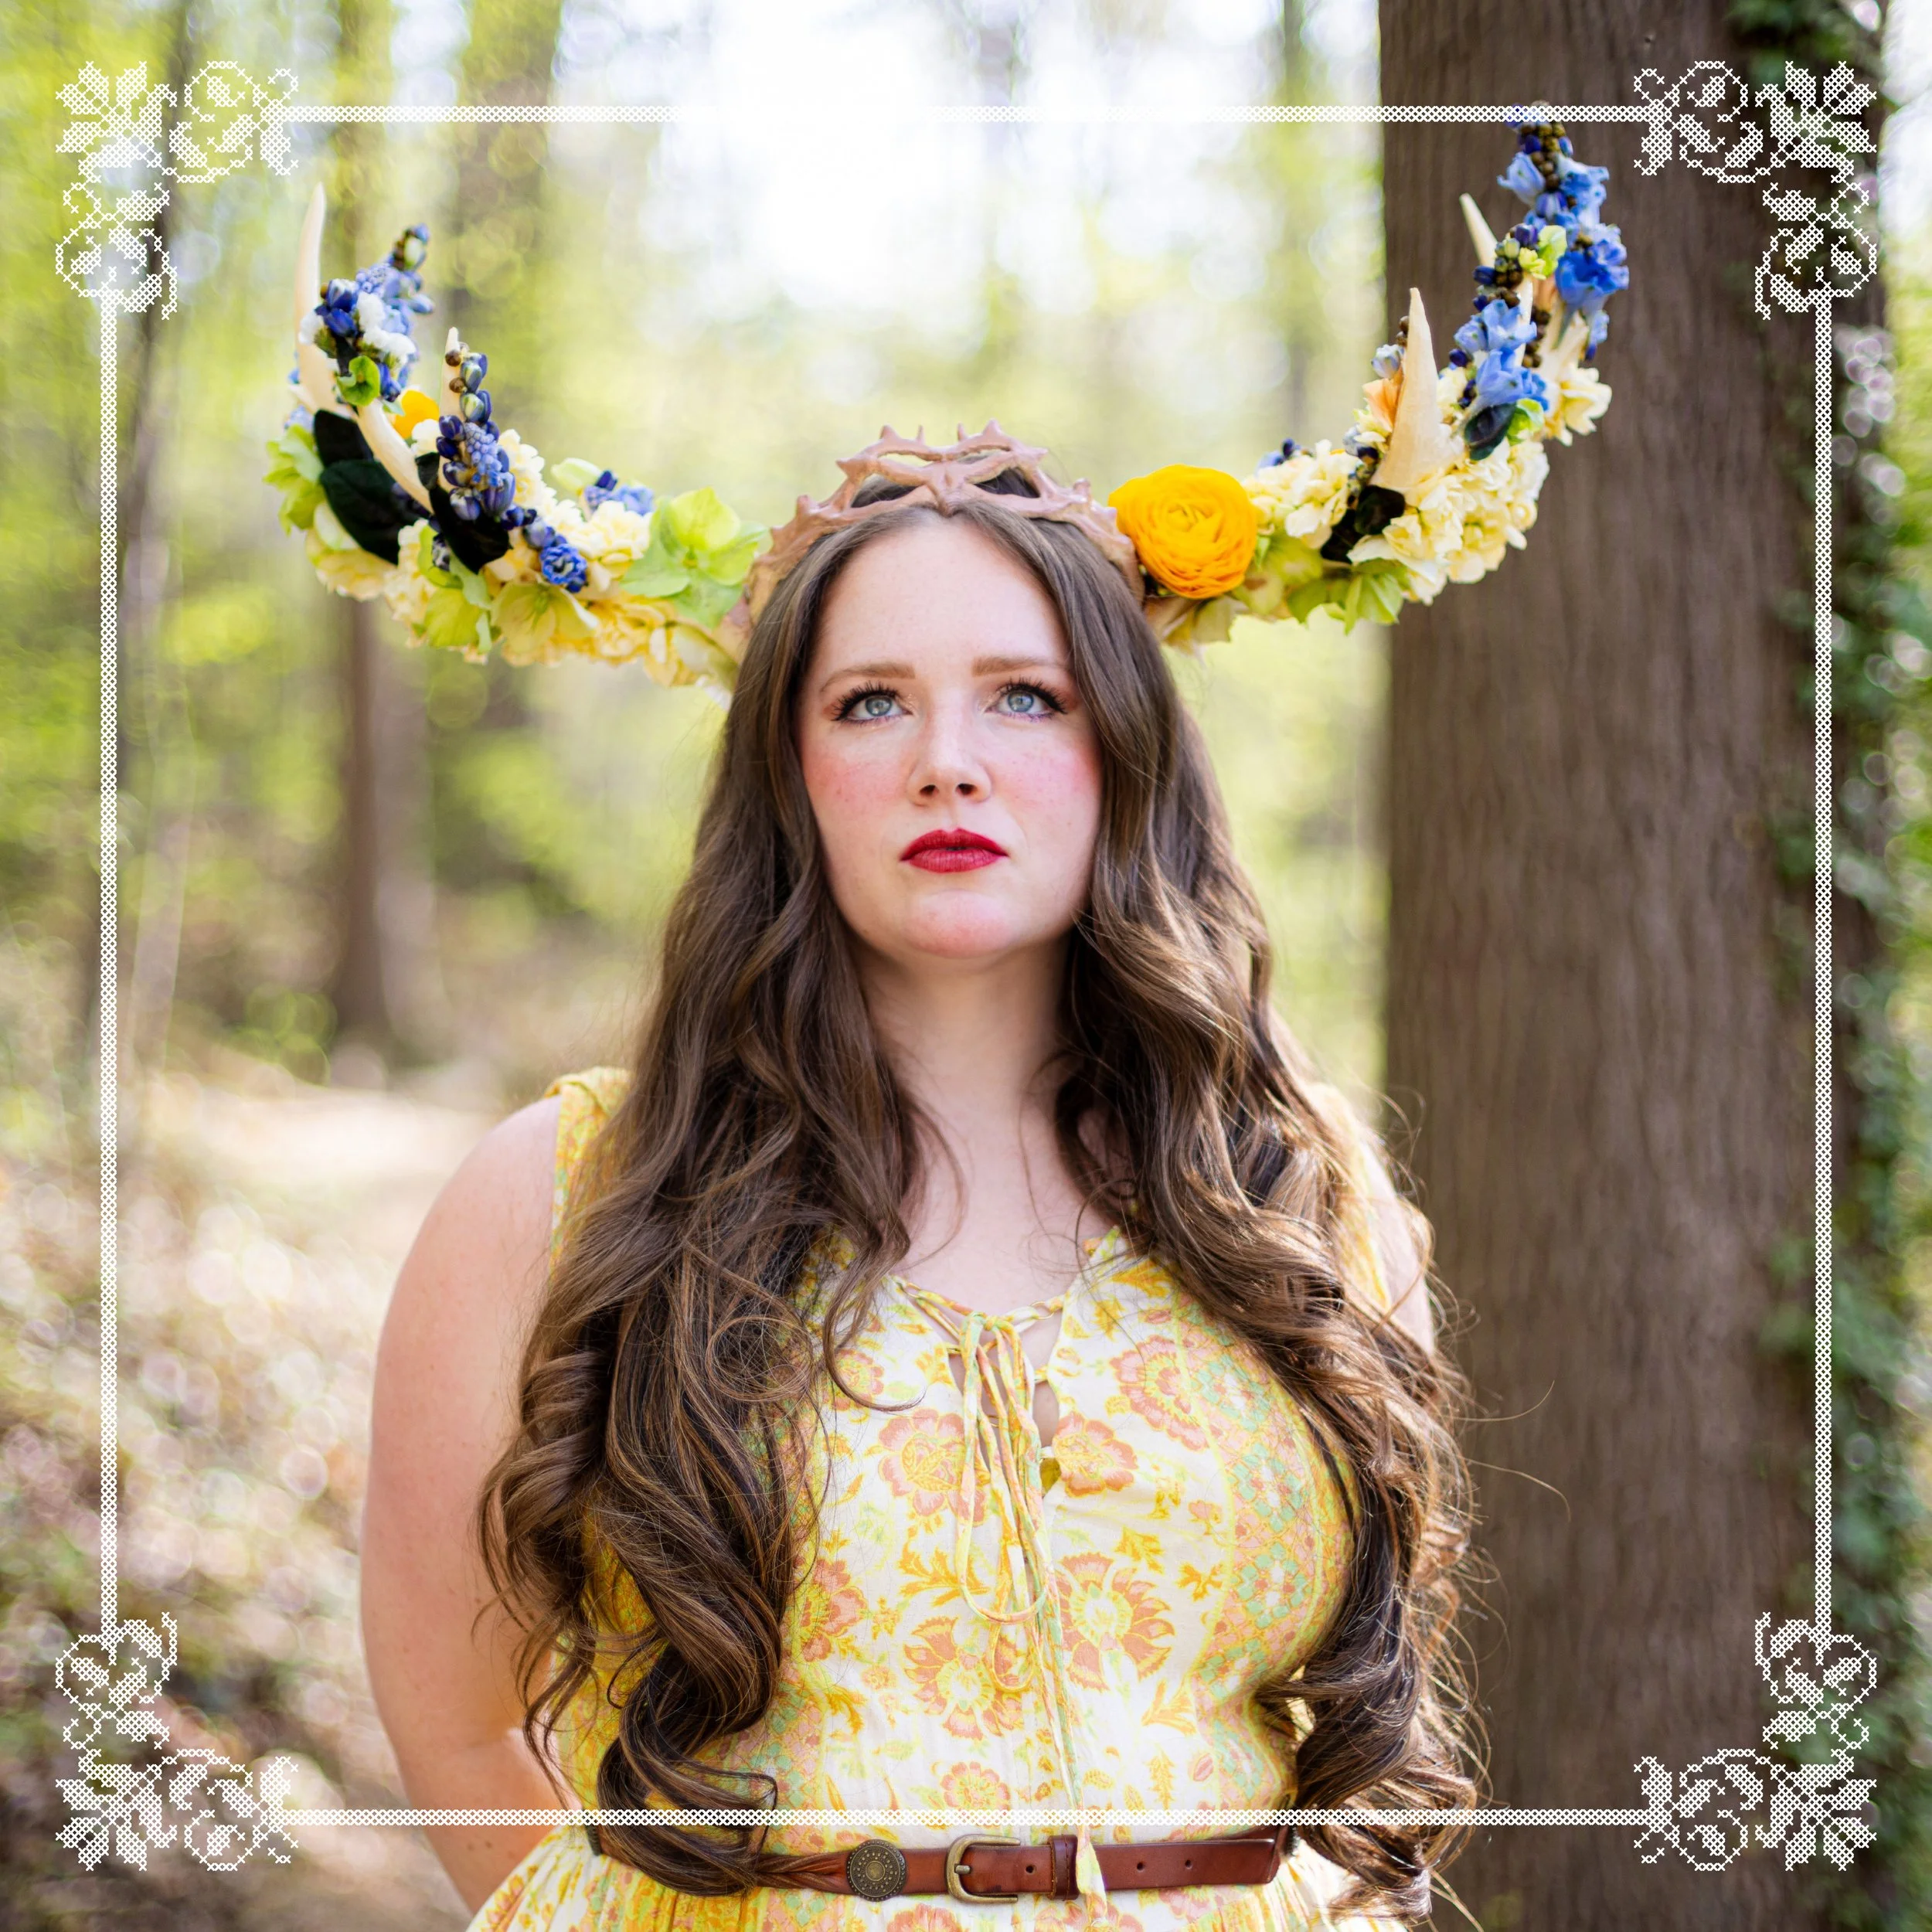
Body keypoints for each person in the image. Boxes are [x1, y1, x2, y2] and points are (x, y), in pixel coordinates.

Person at [359, 458, 1477, 1932]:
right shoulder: (563, 1191)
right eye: (869, 701)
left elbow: (1359, 1720)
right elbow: (455, 1730)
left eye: (1027, 694)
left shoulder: (1295, 1183)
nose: (949, 761)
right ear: (788, 768)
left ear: (1126, 749)